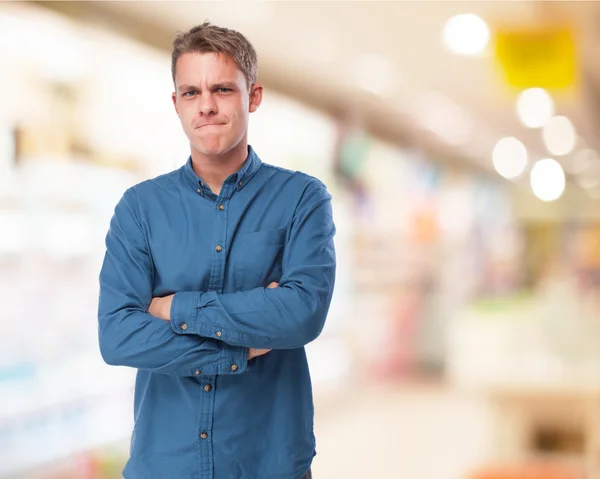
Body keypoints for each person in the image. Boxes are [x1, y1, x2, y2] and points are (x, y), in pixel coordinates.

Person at [97, 22, 336, 479]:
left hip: (268, 463)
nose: (206, 106)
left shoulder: (302, 199)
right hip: (164, 465)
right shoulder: (140, 208)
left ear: (254, 96)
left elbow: (302, 313)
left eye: (222, 89)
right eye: (191, 92)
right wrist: (241, 350)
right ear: (176, 104)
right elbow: (118, 335)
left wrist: (175, 308)